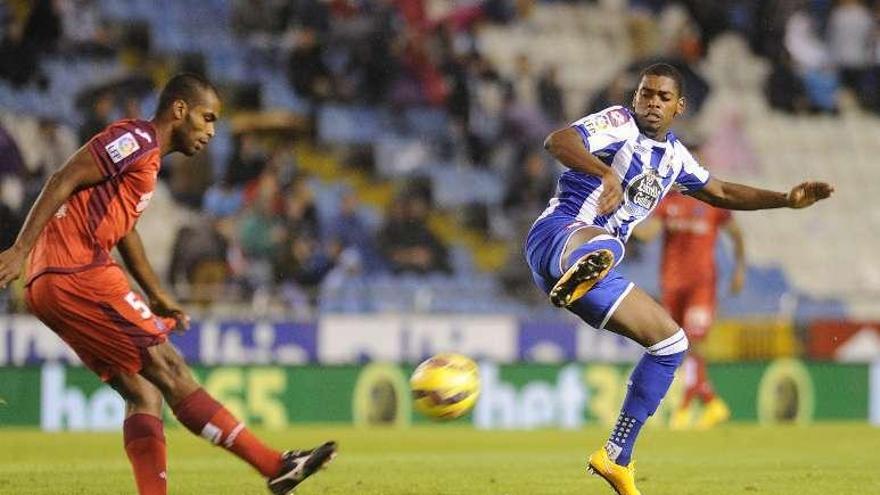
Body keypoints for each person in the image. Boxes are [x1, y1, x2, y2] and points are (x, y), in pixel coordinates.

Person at [0, 73, 336, 495]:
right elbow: (62, 178)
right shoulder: (136, 139)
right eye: (207, 118)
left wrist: (158, 296)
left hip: (50, 283)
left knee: (144, 392)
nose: (212, 132)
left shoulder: (148, 161)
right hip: (77, 270)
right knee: (171, 368)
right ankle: (274, 466)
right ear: (180, 110)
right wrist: (18, 248)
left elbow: (126, 233)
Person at [526, 63, 832, 495]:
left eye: (662, 97)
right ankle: (581, 268)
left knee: (672, 344)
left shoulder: (675, 159)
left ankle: (616, 456)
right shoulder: (617, 122)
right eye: (646, 94)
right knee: (610, 246)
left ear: (679, 107)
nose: (652, 102)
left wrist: (785, 199)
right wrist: (605, 172)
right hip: (558, 235)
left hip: (589, 273)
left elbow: (721, 192)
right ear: (635, 98)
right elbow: (558, 140)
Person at [636, 184, 746, 430]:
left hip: (702, 286)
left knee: (693, 341)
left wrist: (739, 269)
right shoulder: (669, 202)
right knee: (679, 344)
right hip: (672, 287)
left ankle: (684, 409)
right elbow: (649, 233)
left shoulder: (713, 203)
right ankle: (712, 402)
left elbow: (736, 234)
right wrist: (622, 223)